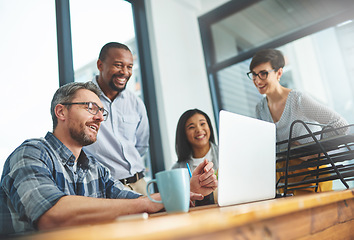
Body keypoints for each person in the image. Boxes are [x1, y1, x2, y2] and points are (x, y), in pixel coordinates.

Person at [0, 82, 204, 236]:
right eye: (90, 107)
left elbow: (135, 200)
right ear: (61, 111)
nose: (99, 118)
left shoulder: (95, 168)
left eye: (101, 111)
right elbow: (50, 216)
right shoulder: (29, 154)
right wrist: (146, 203)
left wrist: (186, 189)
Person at [248, 48, 349, 195]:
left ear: (279, 73)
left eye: (263, 73)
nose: (257, 80)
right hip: (284, 178)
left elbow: (341, 124)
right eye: (254, 75)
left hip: (312, 174)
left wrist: (314, 149)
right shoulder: (260, 109)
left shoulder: (298, 100)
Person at [83, 42, 150, 195]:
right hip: (105, 188)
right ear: (100, 65)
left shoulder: (136, 103)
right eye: (118, 65)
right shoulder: (82, 98)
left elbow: (141, 146)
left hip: (140, 185)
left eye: (129, 67)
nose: (125, 72)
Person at [172, 109, 218, 205]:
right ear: (184, 134)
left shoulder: (224, 155)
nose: (199, 130)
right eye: (191, 127)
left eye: (202, 124)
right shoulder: (176, 170)